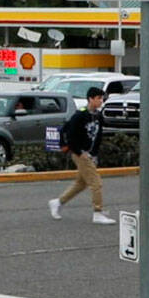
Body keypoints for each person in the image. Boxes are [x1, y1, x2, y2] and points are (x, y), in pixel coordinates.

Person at [49, 86, 116, 224]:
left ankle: (58, 202)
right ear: (90, 99)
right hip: (80, 154)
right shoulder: (80, 115)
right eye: (98, 98)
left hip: (90, 154)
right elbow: (68, 132)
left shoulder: (97, 115)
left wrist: (95, 154)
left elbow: (98, 135)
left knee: (81, 183)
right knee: (96, 183)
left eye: (102, 98)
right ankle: (98, 212)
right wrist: (77, 152)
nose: (101, 101)